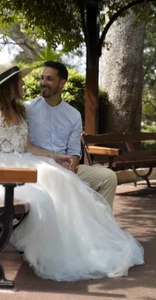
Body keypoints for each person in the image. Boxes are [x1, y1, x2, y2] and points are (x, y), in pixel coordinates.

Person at [0, 63, 144, 282]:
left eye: (47, 78)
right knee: (48, 190)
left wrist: (56, 158)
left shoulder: (19, 110)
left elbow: (28, 147)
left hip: (22, 162)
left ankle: (85, 239)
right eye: (20, 80)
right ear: (9, 85)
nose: (26, 83)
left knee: (61, 179)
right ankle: (65, 245)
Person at [24, 61, 118, 207]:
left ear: (62, 83)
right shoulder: (27, 109)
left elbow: (74, 150)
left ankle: (103, 224)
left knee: (108, 177)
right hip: (37, 168)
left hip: (65, 167)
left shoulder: (73, 115)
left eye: (49, 79)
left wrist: (74, 161)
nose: (43, 82)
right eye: (42, 78)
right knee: (58, 180)